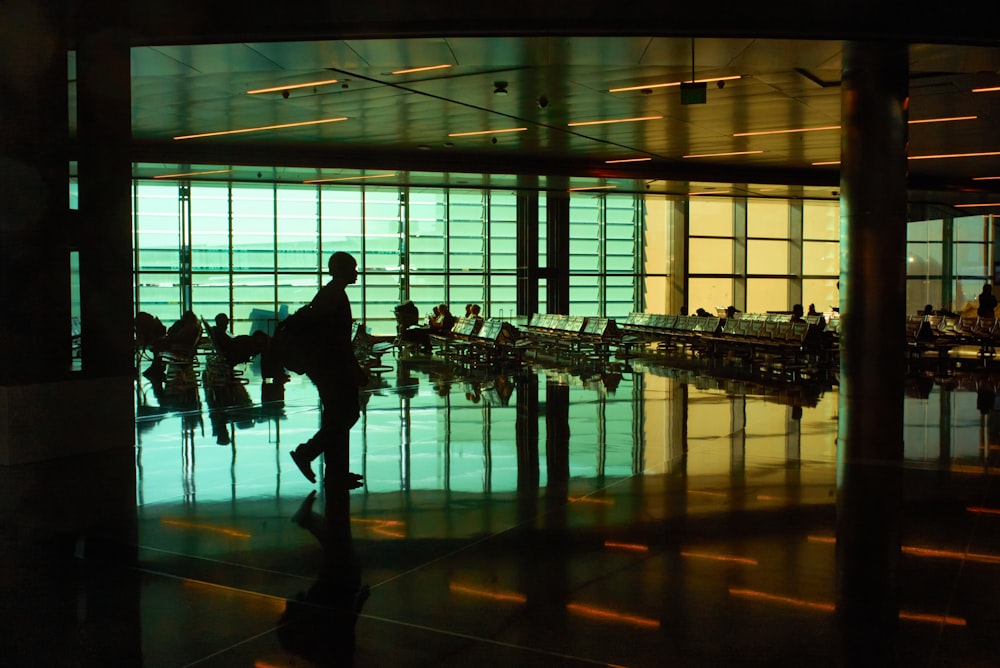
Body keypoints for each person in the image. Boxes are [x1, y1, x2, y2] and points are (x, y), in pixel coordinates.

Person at [289, 252, 369, 487]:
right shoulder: (334, 296)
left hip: (326, 367)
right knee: (347, 414)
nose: (357, 272)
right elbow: (337, 342)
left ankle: (336, 473)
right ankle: (307, 452)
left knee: (337, 416)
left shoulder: (330, 294)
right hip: (332, 369)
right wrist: (353, 369)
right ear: (342, 269)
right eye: (353, 268)